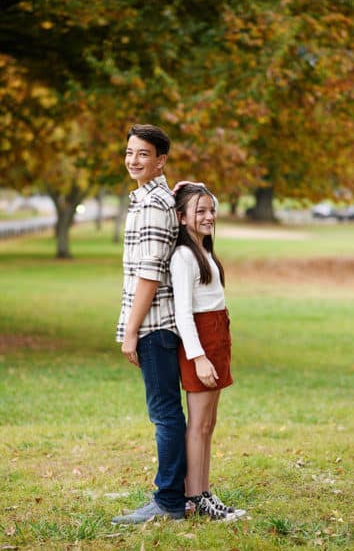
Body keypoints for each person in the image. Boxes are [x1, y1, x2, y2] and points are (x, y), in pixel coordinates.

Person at [112, 124, 187, 524]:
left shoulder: (155, 204)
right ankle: (176, 494)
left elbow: (150, 274)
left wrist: (131, 330)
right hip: (149, 325)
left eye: (143, 154)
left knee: (164, 413)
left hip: (155, 327)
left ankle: (170, 501)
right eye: (129, 152)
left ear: (160, 161)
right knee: (165, 411)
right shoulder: (147, 200)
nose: (133, 160)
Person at [170, 184, 245, 520]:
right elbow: (183, 314)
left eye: (210, 210)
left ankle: (204, 492)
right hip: (200, 342)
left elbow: (200, 194)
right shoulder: (184, 256)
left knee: (208, 423)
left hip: (217, 337)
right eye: (199, 211)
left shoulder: (203, 250)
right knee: (198, 424)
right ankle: (194, 496)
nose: (208, 216)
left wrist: (191, 189)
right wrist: (198, 357)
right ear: (182, 218)